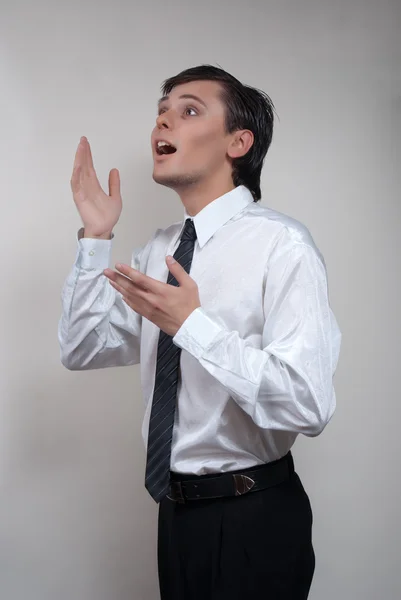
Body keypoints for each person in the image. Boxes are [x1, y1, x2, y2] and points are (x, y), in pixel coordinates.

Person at [58, 64, 341, 599]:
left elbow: (310, 404)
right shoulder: (157, 250)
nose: (164, 119)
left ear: (239, 141)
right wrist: (96, 238)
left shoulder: (282, 246)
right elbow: (82, 348)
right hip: (176, 515)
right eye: (162, 110)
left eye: (189, 110)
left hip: (253, 520)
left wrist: (192, 326)